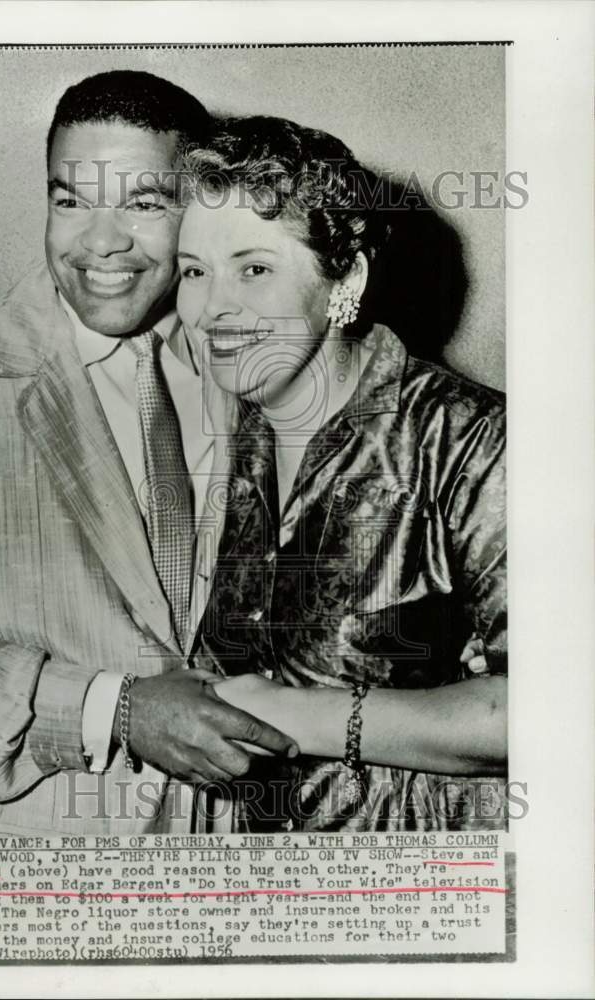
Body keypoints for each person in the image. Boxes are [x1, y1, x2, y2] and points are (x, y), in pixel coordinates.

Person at [0, 73, 298, 840]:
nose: (100, 242)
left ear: (198, 208)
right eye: (71, 201)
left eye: (143, 203)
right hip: (27, 877)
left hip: (239, 866)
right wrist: (112, 709)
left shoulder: (259, 356)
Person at [177, 115, 507, 832]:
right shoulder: (204, 446)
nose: (211, 306)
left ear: (345, 280)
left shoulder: (472, 438)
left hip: (420, 894)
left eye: (254, 268)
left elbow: (547, 713)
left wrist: (301, 715)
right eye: (194, 271)